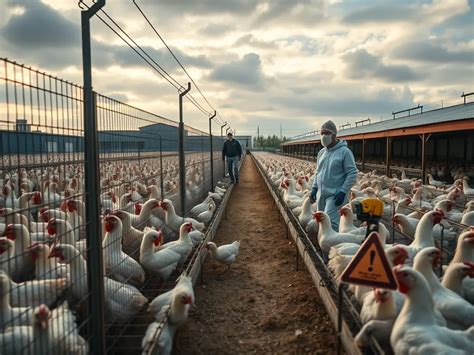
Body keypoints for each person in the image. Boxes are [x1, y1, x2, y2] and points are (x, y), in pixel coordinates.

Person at [310, 120, 358, 231]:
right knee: (322, 222)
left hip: (335, 195)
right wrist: (314, 187)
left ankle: (333, 247)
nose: (323, 136)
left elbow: (352, 172)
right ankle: (322, 246)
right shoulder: (321, 152)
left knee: (331, 223)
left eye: (326, 133)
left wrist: (343, 191)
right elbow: (318, 172)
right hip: (321, 194)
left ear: (334, 134)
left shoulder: (345, 152)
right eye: (321, 133)